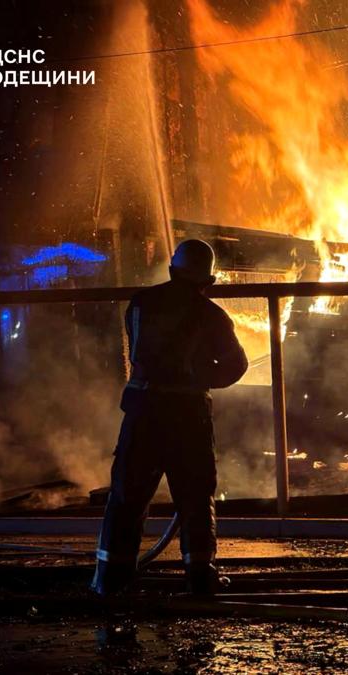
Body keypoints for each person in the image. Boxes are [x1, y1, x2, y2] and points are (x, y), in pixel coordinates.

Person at [91, 239, 248, 596]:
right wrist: (200, 377)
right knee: (195, 497)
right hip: (187, 417)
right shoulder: (212, 315)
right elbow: (236, 366)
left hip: (143, 413)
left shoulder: (140, 304)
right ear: (207, 280)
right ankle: (199, 578)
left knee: (127, 497)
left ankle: (110, 580)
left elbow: (137, 352)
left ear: (172, 269)